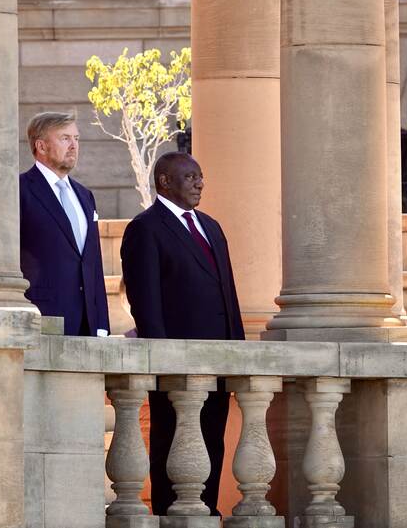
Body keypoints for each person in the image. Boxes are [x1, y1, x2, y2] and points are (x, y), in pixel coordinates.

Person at [120, 151, 244, 516]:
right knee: (171, 443)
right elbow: (145, 302)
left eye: (201, 177)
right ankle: (168, 516)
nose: (200, 183)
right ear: (165, 181)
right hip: (176, 365)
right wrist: (163, 359)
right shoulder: (145, 228)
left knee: (212, 443)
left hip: (218, 362)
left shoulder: (212, 227)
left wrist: (236, 354)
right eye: (191, 177)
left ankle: (206, 513)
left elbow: (228, 295)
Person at [20, 112, 110, 336]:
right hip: (42, 320)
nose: (73, 146)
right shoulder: (19, 189)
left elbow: (93, 264)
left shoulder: (85, 195)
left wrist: (102, 324)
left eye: (76, 139)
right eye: (65, 138)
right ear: (41, 146)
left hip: (87, 325)